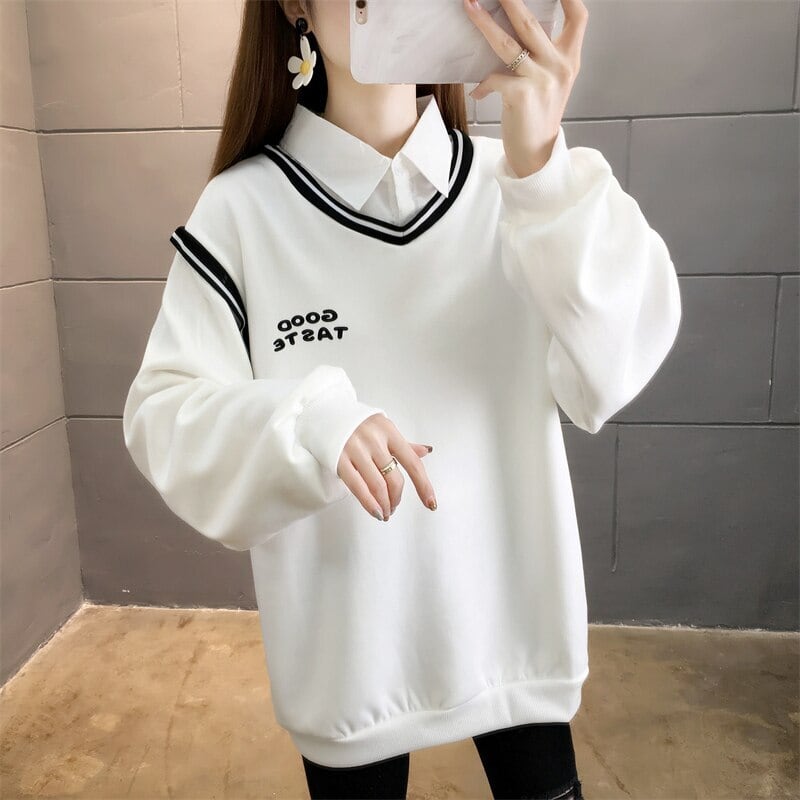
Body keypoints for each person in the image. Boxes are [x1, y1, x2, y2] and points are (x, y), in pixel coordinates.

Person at [122, 0, 682, 797]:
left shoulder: (519, 183)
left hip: (516, 633)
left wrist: (545, 172)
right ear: (295, 6)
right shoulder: (242, 211)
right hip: (350, 664)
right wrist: (312, 422)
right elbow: (164, 415)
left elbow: (612, 368)